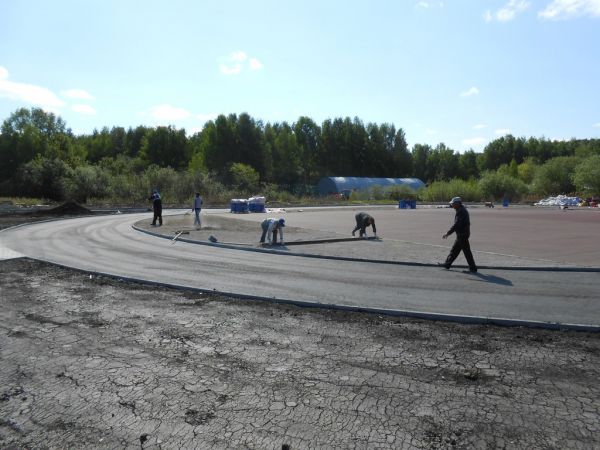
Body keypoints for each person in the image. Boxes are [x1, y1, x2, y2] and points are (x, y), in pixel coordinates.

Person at [440, 197, 477, 272]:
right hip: (461, 234)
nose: (452, 205)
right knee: (454, 250)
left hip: (462, 234)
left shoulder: (461, 212)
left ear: (457, 204)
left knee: (466, 252)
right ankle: (447, 264)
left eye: (453, 204)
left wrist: (448, 233)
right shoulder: (461, 210)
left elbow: (457, 224)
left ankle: (473, 268)